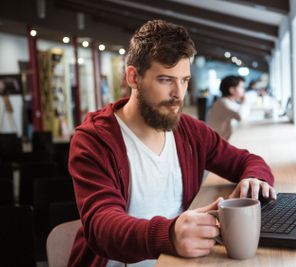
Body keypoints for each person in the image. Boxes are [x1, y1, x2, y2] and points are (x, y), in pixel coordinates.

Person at [68, 20, 276, 267]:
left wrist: (254, 180)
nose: (179, 94)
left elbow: (248, 160)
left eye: (184, 80)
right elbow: (101, 225)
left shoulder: (188, 130)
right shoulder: (94, 140)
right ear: (133, 77)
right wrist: (169, 234)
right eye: (166, 80)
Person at [207, 75, 248, 140]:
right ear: (231, 90)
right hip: (216, 142)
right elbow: (240, 117)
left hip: (224, 139)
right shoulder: (222, 103)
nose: (243, 90)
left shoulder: (230, 102)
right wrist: (244, 102)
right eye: (241, 87)